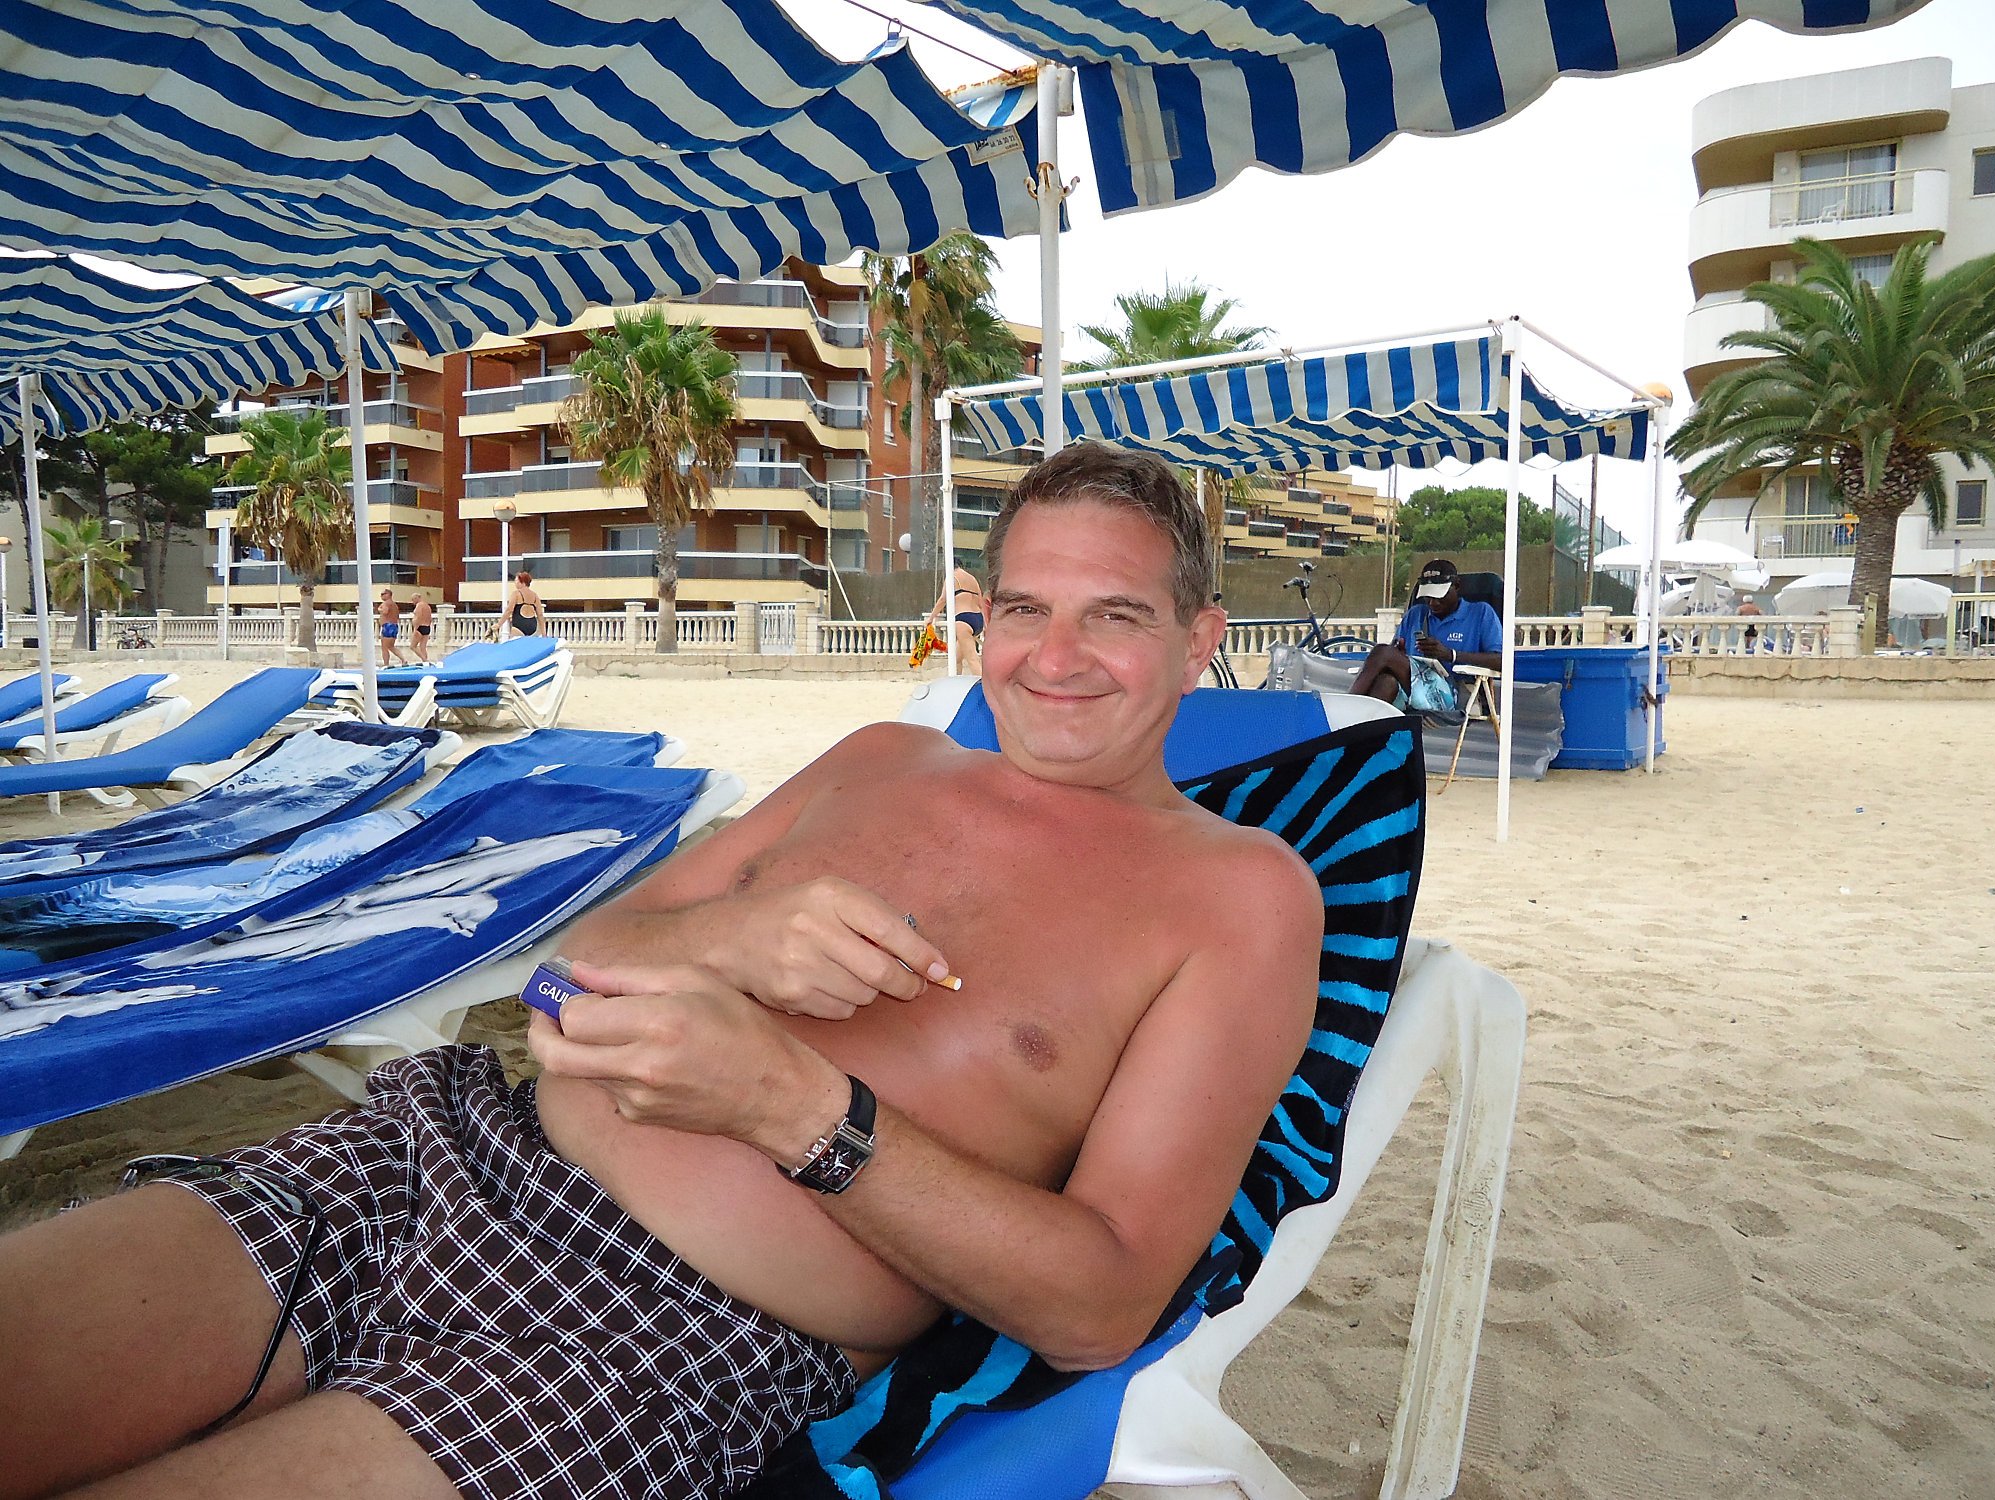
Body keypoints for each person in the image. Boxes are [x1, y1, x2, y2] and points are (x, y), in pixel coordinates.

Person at [0, 442, 1323, 1500]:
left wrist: (795, 1110)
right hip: (434, 1156)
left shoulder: (1238, 897)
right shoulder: (880, 759)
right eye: (1024, 609)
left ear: (1198, 638)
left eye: (1114, 616)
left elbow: (1099, 1305)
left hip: (662, 1344)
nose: (1055, 657)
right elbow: (560, 976)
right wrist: (720, 941)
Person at [1352, 557, 1504, 711]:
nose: (1432, 602)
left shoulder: (1480, 613)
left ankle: (1348, 707)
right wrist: (1399, 653)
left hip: (1452, 693)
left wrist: (1451, 655)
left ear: (1457, 586)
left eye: (1439, 595)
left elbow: (1501, 661)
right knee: (1385, 682)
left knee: (1382, 652)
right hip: (1413, 688)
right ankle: (1362, 724)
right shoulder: (1416, 614)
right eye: (1428, 596)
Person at [923, 563, 985, 665]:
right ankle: (957, 675)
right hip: (978, 619)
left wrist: (931, 617)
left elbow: (943, 599)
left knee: (972, 659)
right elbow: (981, 603)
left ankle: (983, 676)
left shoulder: (952, 577)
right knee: (956, 659)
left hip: (963, 619)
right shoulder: (972, 578)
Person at [503, 569, 543, 640]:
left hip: (519, 625)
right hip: (532, 626)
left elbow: (509, 610)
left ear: (522, 582)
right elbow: (540, 615)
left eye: (516, 580)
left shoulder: (516, 594)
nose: (515, 582)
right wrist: (544, 633)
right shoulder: (535, 596)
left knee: (515, 645)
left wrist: (499, 624)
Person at [374, 588, 409, 668]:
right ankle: (403, 659)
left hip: (388, 626)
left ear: (389, 595)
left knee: (384, 647)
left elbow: (385, 612)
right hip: (394, 626)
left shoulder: (386, 603)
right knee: (391, 646)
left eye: (383, 594)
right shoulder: (394, 605)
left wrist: (379, 609)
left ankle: (386, 664)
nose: (381, 596)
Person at [410, 595, 435, 663]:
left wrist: (415, 629)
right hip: (427, 627)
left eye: (413, 599)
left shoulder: (419, 605)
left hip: (420, 627)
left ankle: (425, 660)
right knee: (423, 647)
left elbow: (418, 617)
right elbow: (430, 618)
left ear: (416, 598)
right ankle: (425, 661)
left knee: (413, 646)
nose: (412, 602)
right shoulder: (427, 606)